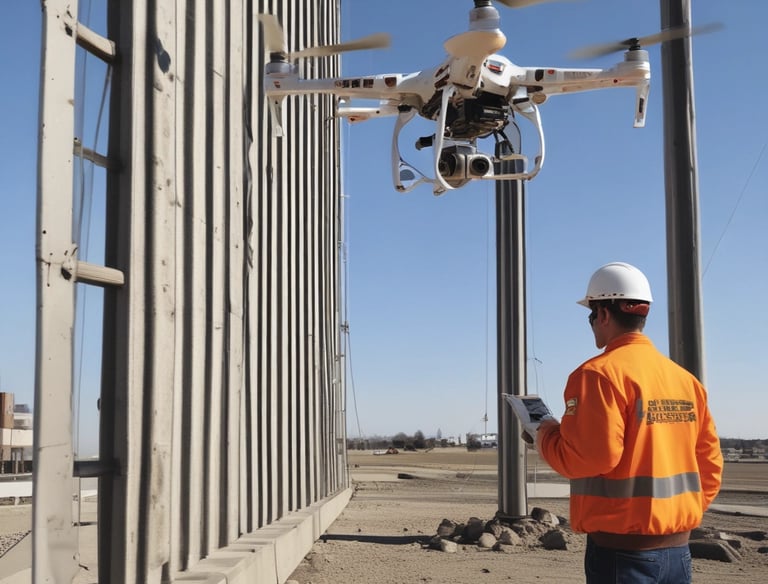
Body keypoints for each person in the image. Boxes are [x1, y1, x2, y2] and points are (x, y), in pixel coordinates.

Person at [536, 261, 723, 584]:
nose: (592, 323)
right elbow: (710, 465)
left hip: (622, 555)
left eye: (591, 315)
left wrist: (545, 434)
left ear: (604, 314)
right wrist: (674, 516)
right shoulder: (685, 381)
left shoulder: (597, 375)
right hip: (678, 550)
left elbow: (590, 457)